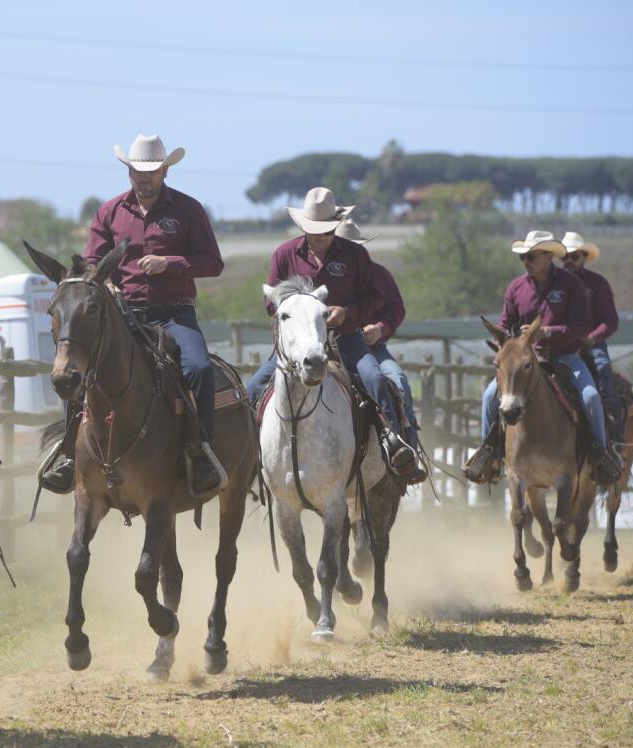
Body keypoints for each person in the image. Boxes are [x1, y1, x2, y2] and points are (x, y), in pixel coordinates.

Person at [40, 134, 225, 496]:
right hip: (126, 315)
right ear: (128, 171)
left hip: (175, 314)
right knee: (78, 368)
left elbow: (212, 263)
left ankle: (199, 450)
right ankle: (68, 453)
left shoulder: (188, 210)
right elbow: (92, 263)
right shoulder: (109, 212)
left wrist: (170, 263)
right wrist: (106, 283)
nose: (144, 177)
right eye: (138, 170)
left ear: (165, 171)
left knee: (199, 368)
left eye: (151, 170)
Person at [243, 188, 418, 479]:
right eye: (314, 230)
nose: (320, 236)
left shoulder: (355, 255)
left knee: (374, 378)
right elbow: (270, 303)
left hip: (345, 337)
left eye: (325, 231)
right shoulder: (284, 255)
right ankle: (248, 456)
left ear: (335, 226)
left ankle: (393, 442)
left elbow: (375, 298)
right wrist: (297, 311)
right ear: (303, 227)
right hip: (299, 345)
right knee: (253, 389)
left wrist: (346, 312)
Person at [464, 230, 621, 486]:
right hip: (526, 362)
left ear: (548, 256)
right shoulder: (516, 288)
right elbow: (505, 322)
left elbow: (583, 325)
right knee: (490, 395)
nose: (525, 261)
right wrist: (503, 339)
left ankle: (600, 456)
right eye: (523, 257)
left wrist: (547, 332)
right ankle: (489, 454)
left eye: (530, 256)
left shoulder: (572, 285)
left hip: (566, 357)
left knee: (591, 397)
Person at [340, 218, 426, 484]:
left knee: (398, 382)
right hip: (331, 349)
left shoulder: (378, 275)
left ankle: (408, 452)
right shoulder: (328, 278)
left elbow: (396, 309)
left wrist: (380, 328)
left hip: (373, 350)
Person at [560, 231, 624, 447]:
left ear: (584, 257)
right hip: (561, 345)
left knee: (603, 369)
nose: (568, 261)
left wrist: (592, 338)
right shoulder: (554, 284)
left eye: (574, 256)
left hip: (592, 345)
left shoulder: (598, 284)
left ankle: (614, 432)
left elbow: (610, 321)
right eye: (564, 256)